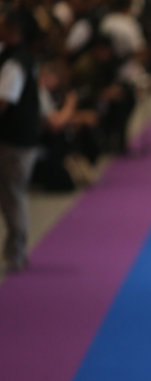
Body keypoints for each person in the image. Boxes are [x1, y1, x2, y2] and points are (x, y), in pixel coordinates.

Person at [0, 8, 42, 273]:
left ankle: (16, 252)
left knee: (13, 195)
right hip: (22, 137)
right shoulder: (23, 57)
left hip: (15, 139)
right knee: (13, 194)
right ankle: (16, 250)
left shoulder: (15, 62)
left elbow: (4, 101)